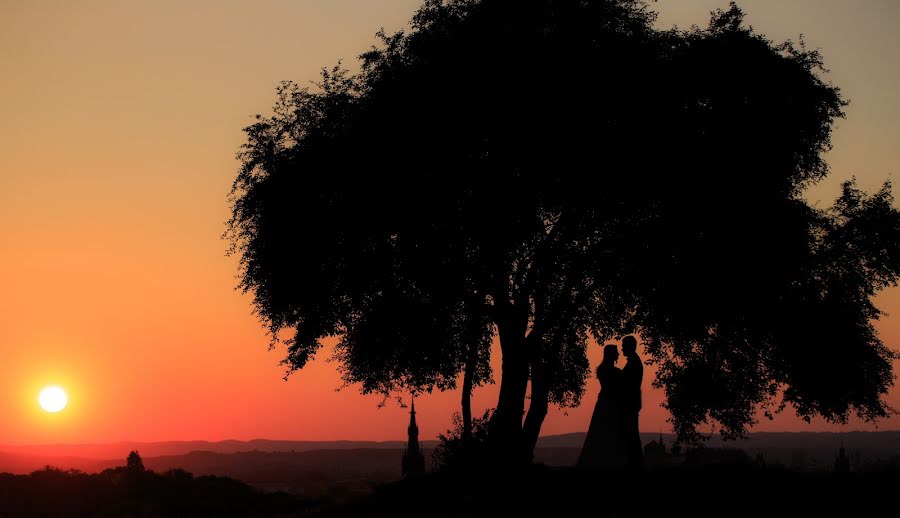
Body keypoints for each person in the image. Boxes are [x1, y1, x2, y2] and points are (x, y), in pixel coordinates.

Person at [578, 344, 626, 468]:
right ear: (611, 354)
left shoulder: (602, 369)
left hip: (604, 403)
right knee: (608, 431)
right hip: (610, 404)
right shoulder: (614, 371)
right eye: (616, 352)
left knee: (600, 432)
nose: (618, 354)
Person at [621, 335, 644, 468]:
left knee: (632, 434)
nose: (622, 348)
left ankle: (635, 463)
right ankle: (635, 463)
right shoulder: (633, 361)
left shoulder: (634, 362)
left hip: (630, 403)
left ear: (630, 346)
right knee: (632, 433)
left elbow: (629, 383)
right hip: (631, 402)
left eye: (624, 345)